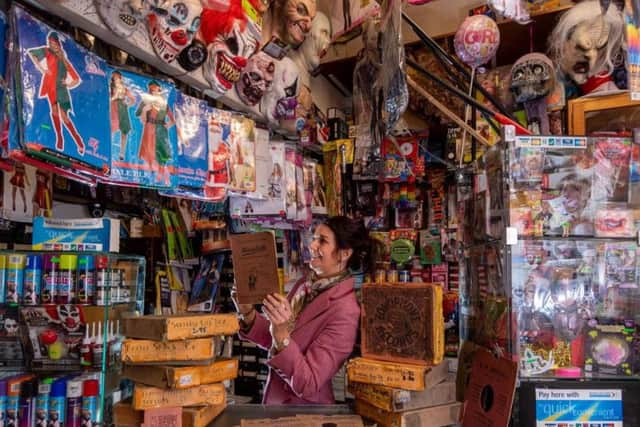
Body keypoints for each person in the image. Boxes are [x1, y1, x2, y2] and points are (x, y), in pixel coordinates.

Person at [233, 216, 378, 404]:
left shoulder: (346, 311)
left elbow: (309, 382)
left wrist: (282, 333)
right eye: (315, 238)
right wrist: (248, 313)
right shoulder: (305, 285)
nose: (312, 246)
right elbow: (277, 339)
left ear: (344, 253)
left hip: (304, 413)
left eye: (323, 241)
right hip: (277, 406)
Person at [28, 32, 84, 154]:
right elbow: (32, 53)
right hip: (50, 86)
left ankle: (79, 142)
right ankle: (59, 137)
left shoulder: (64, 60)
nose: (52, 45)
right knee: (53, 111)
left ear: (58, 43)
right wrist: (42, 69)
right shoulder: (47, 51)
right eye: (50, 43)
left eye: (54, 43)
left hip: (61, 89)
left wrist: (68, 84)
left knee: (64, 117)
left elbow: (76, 79)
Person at [109, 71, 135, 160]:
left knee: (124, 132)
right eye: (114, 78)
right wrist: (113, 97)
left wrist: (127, 104)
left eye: (117, 77)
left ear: (120, 78)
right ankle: (110, 150)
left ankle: (122, 153)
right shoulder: (110, 87)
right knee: (111, 130)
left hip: (122, 109)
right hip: (113, 108)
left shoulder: (125, 89)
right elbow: (109, 99)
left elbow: (133, 99)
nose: (116, 79)